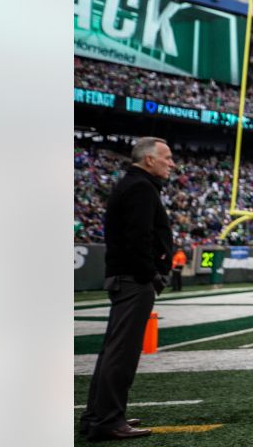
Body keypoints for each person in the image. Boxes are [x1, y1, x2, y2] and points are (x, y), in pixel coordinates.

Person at [78, 137, 175, 442]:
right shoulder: (141, 188)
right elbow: (139, 239)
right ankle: (107, 419)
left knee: (113, 351)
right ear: (149, 160)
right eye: (167, 157)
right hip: (133, 280)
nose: (171, 163)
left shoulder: (135, 185)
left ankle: (98, 416)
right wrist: (152, 275)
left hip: (127, 277)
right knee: (121, 354)